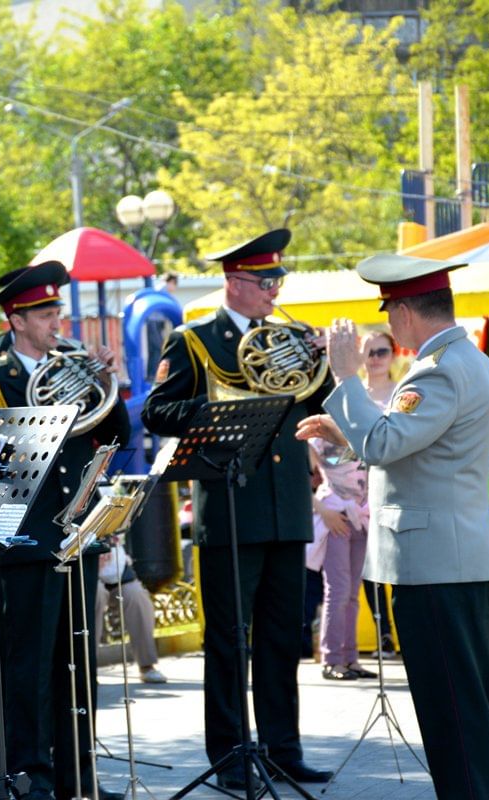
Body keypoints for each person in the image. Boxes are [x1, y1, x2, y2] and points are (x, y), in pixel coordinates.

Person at [297, 253, 489, 799]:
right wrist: (350, 432)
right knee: (479, 717)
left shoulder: (438, 368)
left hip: (440, 567)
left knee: (455, 725)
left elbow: (388, 442)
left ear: (402, 312)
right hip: (463, 559)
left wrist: (346, 377)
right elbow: (422, 450)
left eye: (390, 310)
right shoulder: (469, 361)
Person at [141, 229, 333, 789]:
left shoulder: (291, 336)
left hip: (286, 505)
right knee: (229, 637)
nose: (275, 289)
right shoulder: (195, 340)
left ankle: (283, 748)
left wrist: (323, 364)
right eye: (265, 280)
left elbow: (316, 407)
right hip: (229, 507)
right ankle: (228, 755)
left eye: (278, 278)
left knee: (283, 634)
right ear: (233, 282)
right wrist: (221, 405)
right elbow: (157, 411)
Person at [0, 261, 132, 800]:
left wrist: (110, 380)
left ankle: (77, 777)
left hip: (75, 535)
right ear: (17, 319)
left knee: (77, 665)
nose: (56, 320)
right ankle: (28, 777)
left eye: (56, 309)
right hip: (24, 538)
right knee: (29, 669)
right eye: (45, 312)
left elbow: (118, 433)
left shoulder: (77, 368)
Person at [308, 434, 374, 681]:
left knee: (352, 592)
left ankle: (350, 658)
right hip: (337, 516)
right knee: (338, 590)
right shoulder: (319, 435)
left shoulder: (364, 428)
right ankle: (332, 660)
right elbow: (297, 475)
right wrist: (323, 510)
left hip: (363, 518)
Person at [359, 330, 398, 656]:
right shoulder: (354, 392)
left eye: (381, 351)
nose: (375, 358)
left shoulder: (403, 391)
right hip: (357, 491)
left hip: (395, 487)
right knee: (369, 568)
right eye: (369, 352)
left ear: (393, 355)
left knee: (397, 564)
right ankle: (382, 633)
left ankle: (402, 634)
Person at [93, 537, 167, 683]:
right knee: (96, 596)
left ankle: (147, 666)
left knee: (136, 596)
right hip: (84, 566)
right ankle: (86, 670)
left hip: (115, 569)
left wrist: (109, 543)